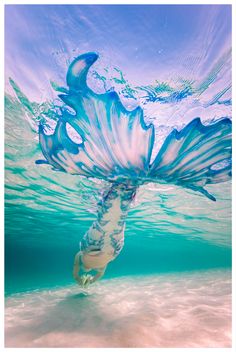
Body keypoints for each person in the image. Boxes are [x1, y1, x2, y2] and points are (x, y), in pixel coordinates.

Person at [37, 52, 232, 288]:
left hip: (104, 243)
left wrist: (80, 279)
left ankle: (128, 172)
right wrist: (86, 279)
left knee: (116, 204)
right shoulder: (97, 263)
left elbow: (79, 267)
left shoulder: (84, 257)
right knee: (120, 203)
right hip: (110, 245)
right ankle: (134, 177)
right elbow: (93, 270)